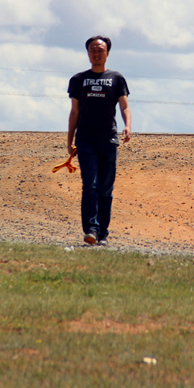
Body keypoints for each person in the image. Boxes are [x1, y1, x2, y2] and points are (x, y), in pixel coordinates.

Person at [67, 35, 131, 246]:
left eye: (100, 49)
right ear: (88, 53)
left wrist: (127, 126)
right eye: (93, 49)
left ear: (107, 53)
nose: (96, 53)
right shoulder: (78, 80)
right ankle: (91, 230)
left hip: (109, 139)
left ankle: (103, 233)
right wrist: (70, 140)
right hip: (85, 139)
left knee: (105, 188)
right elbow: (74, 111)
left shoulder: (116, 78)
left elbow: (124, 106)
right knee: (90, 185)